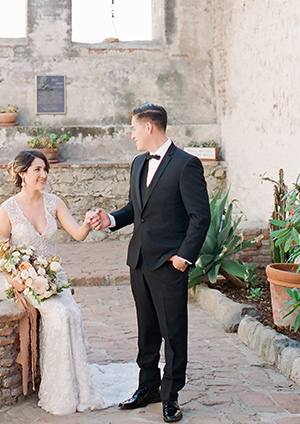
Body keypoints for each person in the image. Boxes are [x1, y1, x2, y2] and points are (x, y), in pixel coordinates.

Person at [90, 103, 211, 423]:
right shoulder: (137, 163)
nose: (130, 135)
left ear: (149, 127)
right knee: (146, 331)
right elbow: (135, 208)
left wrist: (183, 259)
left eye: (133, 128)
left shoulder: (187, 165)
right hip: (139, 260)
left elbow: (201, 217)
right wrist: (111, 219)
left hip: (170, 265)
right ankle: (148, 387)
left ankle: (171, 396)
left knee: (173, 332)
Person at [0, 149, 104, 416]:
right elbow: (0, 255)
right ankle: (58, 392)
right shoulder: (7, 209)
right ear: (22, 174)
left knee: (72, 313)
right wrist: (15, 280)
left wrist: (88, 223)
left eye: (45, 170)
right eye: (37, 170)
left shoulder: (54, 202)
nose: (43, 175)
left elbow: (77, 234)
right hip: (26, 280)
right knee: (57, 315)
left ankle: (79, 387)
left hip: (54, 277)